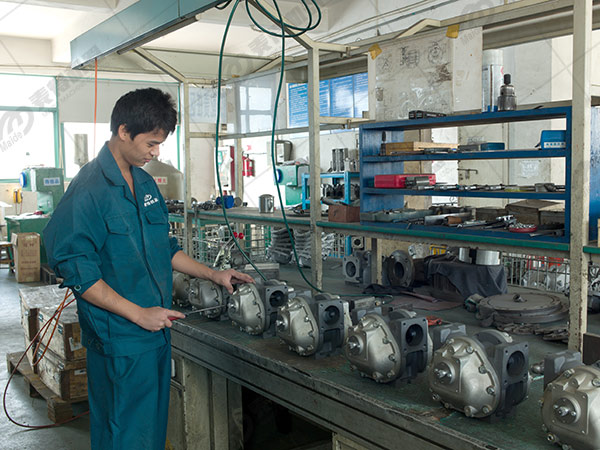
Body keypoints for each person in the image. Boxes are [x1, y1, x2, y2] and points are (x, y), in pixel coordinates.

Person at [43, 87, 253, 450]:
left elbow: (164, 248)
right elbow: (81, 276)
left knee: (150, 428)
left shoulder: (143, 182)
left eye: (160, 144)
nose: (155, 153)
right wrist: (139, 314)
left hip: (155, 328)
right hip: (120, 336)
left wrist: (213, 274)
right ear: (124, 131)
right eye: (151, 143)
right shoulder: (88, 191)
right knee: (124, 431)